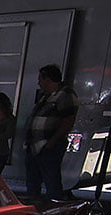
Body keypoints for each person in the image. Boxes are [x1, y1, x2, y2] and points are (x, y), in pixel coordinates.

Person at [24, 64, 78, 199]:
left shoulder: (65, 95)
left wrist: (52, 141)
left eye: (40, 79)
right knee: (33, 180)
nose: (39, 83)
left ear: (47, 79)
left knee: (51, 179)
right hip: (34, 145)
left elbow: (68, 120)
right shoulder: (45, 96)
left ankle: (54, 207)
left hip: (49, 144)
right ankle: (33, 205)